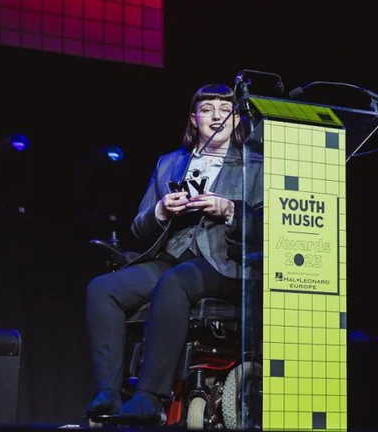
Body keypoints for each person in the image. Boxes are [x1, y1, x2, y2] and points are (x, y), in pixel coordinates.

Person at [83, 83, 262, 426]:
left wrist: (229, 210)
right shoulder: (170, 163)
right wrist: (162, 211)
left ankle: (151, 396)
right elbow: (139, 227)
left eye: (225, 110)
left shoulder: (253, 166)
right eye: (207, 109)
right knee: (102, 288)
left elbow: (271, 227)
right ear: (194, 119)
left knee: (174, 282)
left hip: (225, 263)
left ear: (238, 120)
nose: (216, 116)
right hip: (174, 256)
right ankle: (109, 391)